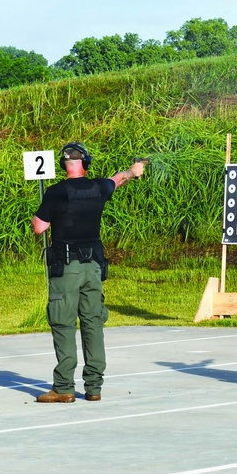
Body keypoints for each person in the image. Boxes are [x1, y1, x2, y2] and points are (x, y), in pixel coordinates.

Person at [31, 142, 145, 403]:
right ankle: (94, 387)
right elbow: (117, 180)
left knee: (63, 323)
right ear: (86, 163)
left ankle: (63, 387)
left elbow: (39, 227)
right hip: (93, 266)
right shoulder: (98, 188)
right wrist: (132, 170)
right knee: (93, 323)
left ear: (64, 165)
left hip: (66, 268)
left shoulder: (56, 192)